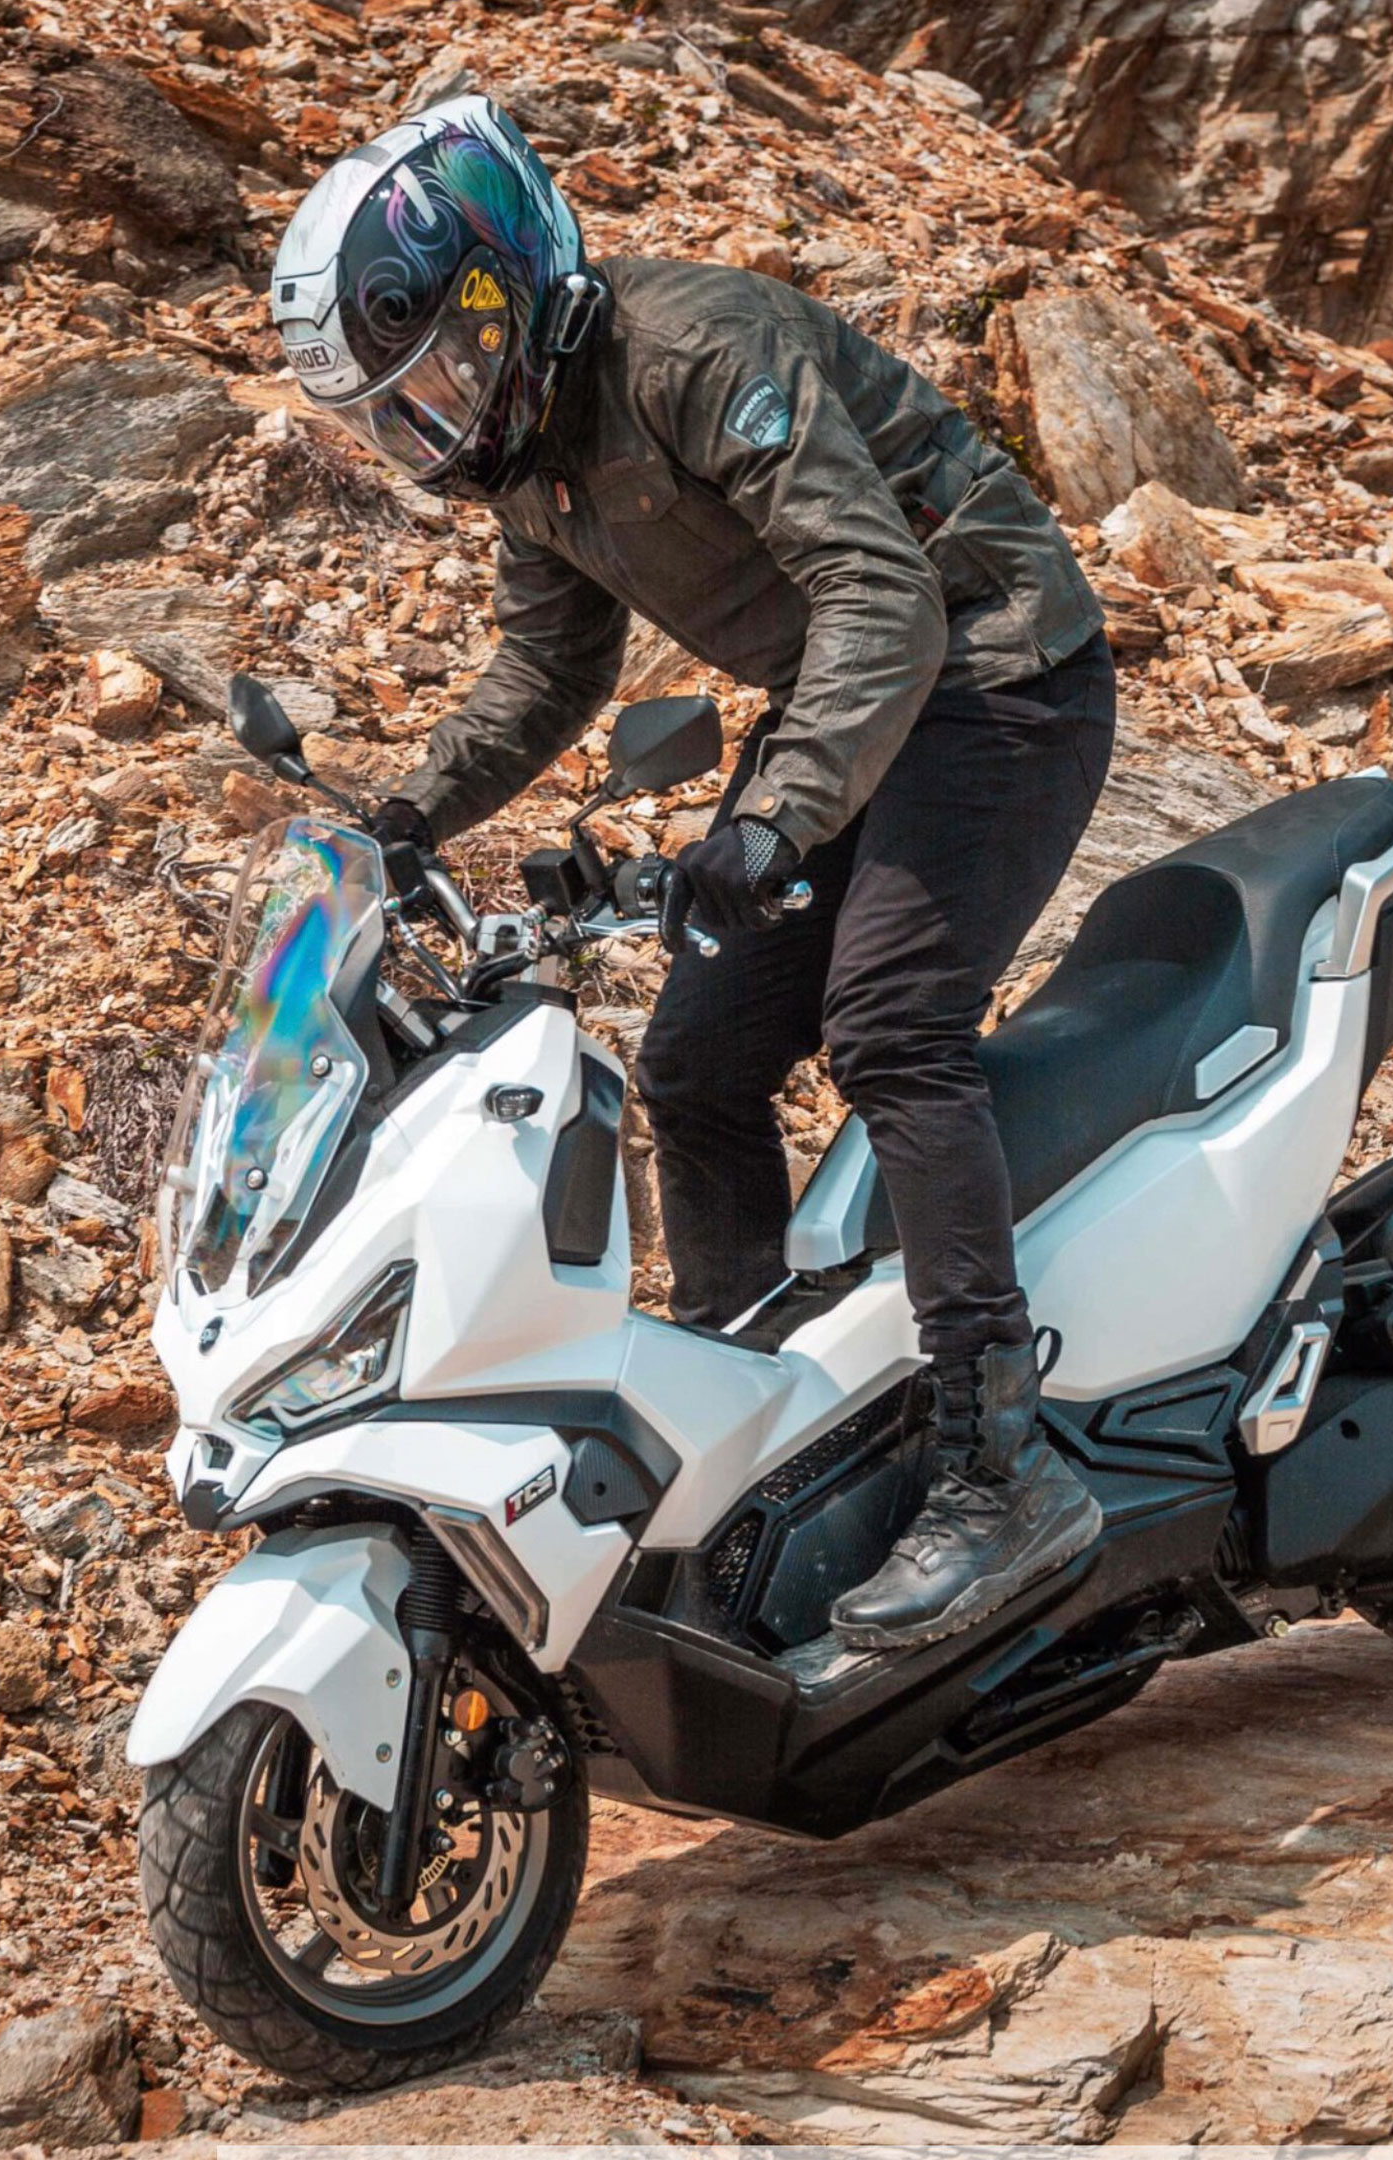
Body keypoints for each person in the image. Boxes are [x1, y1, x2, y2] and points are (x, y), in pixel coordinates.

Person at [270, 98, 1115, 1652]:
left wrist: (773, 821)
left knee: (889, 1027)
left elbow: (882, 593)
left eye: (438, 376)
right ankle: (766, 1452)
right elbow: (548, 668)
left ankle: (1003, 1467)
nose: (432, 426)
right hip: (848, 697)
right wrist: (404, 815)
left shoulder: (694, 350)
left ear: (504, 292)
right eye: (397, 413)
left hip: (999, 671)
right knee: (696, 1063)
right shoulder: (523, 452)